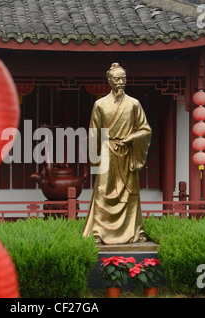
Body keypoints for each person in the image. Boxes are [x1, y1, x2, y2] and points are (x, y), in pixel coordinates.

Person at [83, 63, 152, 245]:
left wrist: (132, 137)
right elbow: (94, 134)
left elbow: (146, 130)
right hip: (106, 152)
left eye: (124, 78)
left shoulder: (134, 104)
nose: (121, 82)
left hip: (128, 153)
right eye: (117, 79)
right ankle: (98, 231)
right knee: (102, 191)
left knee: (130, 193)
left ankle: (135, 231)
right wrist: (94, 159)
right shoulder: (100, 104)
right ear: (109, 81)